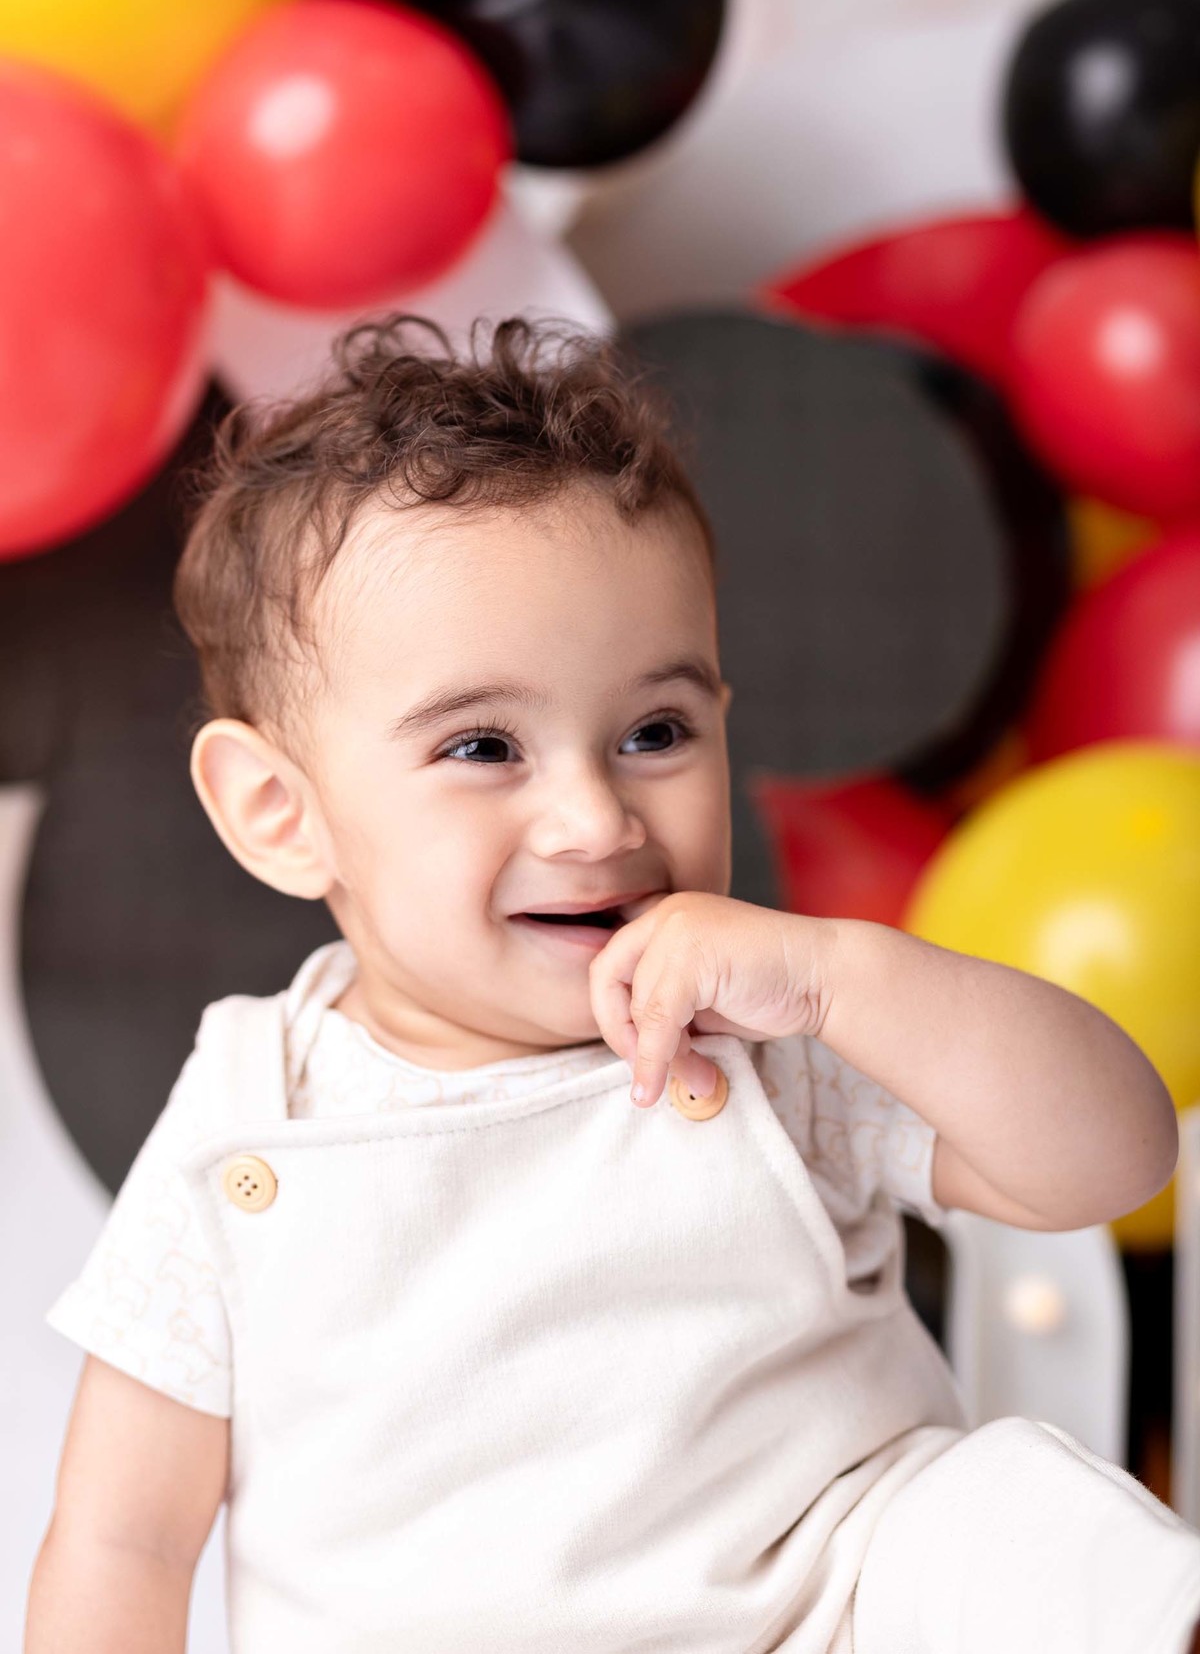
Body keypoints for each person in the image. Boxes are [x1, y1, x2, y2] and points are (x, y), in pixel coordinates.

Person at [25, 316, 1200, 1654]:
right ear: (281, 813)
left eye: (654, 731)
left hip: (829, 1618)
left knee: (1009, 1514)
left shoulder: (760, 1025)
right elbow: (124, 1537)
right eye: (484, 746)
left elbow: (1114, 1157)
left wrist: (844, 975)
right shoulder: (249, 1113)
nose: (596, 819)